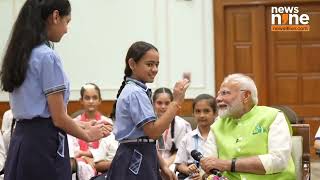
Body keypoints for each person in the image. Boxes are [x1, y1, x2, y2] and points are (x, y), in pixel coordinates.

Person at [0, 1, 112, 180]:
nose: (66, 29)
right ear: (55, 17)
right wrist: (87, 134)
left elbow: (40, 113)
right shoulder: (47, 56)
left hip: (22, 139)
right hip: (43, 145)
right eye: (67, 22)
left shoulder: (21, 53)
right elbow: (58, 118)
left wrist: (82, 124)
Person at [106, 41, 190, 180]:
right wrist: (175, 102)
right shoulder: (135, 92)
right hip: (135, 158)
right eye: (149, 64)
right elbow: (153, 132)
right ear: (132, 64)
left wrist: (162, 165)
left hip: (141, 153)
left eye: (157, 64)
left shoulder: (137, 90)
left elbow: (146, 139)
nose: (155, 69)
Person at [200, 73, 295, 180]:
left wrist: (228, 164)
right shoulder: (218, 125)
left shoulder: (273, 116)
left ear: (245, 96)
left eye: (225, 93)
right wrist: (207, 173)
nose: (218, 98)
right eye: (218, 94)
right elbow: (208, 163)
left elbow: (279, 160)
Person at [68, 83, 115, 180]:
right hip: (79, 164)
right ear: (81, 100)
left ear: (100, 100)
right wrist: (85, 158)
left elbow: (109, 149)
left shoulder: (107, 122)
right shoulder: (74, 123)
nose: (91, 101)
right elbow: (73, 150)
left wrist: (94, 158)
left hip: (101, 164)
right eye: (87, 98)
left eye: (94, 98)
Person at [174, 94, 216, 180]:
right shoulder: (187, 138)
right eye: (198, 111)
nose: (202, 115)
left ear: (215, 113)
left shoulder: (219, 137)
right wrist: (188, 170)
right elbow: (179, 164)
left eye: (206, 111)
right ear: (193, 113)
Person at [153, 87, 192, 169]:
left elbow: (181, 152)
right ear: (153, 104)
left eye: (167, 103)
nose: (163, 107)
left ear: (172, 104)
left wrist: (165, 164)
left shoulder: (181, 124)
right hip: (151, 161)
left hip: (172, 162)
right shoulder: (147, 124)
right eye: (159, 103)